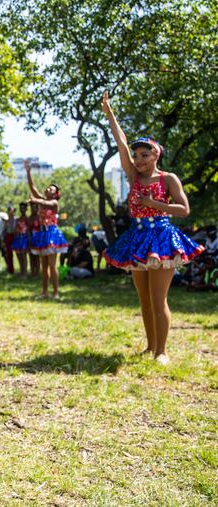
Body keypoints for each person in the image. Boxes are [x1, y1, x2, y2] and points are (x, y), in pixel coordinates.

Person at [101, 91, 204, 364]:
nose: (138, 159)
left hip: (161, 237)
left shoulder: (168, 178)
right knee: (144, 300)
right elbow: (120, 143)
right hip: (137, 237)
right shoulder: (133, 175)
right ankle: (149, 347)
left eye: (144, 154)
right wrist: (110, 114)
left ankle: (162, 351)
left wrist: (153, 204)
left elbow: (184, 209)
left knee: (159, 300)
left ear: (155, 155)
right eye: (136, 155)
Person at [25, 158, 67, 298]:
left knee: (52, 265)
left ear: (55, 194)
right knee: (44, 266)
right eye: (49, 187)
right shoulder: (43, 200)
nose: (48, 188)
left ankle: (55, 292)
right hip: (42, 234)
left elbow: (42, 201)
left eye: (52, 188)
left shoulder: (54, 203)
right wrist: (28, 172)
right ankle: (44, 292)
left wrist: (35, 200)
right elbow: (32, 187)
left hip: (52, 234)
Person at [12, 202, 30, 277]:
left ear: (26, 209)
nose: (22, 209)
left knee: (23, 256)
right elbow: (15, 229)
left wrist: (29, 240)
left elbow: (28, 230)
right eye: (21, 208)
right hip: (18, 238)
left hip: (24, 238)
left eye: (23, 208)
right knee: (18, 255)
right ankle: (21, 270)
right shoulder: (18, 219)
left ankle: (25, 272)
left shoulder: (27, 219)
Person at [28, 202, 41, 277]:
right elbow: (29, 229)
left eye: (35, 207)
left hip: (38, 238)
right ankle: (32, 272)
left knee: (37, 257)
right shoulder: (30, 218)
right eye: (32, 208)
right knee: (31, 255)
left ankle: (37, 272)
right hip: (31, 237)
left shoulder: (39, 217)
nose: (33, 209)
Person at [2, 205, 17, 274]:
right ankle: (11, 269)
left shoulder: (16, 220)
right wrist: (3, 240)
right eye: (9, 211)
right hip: (8, 236)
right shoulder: (6, 221)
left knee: (19, 253)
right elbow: (4, 230)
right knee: (8, 254)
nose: (10, 212)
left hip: (16, 236)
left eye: (12, 211)